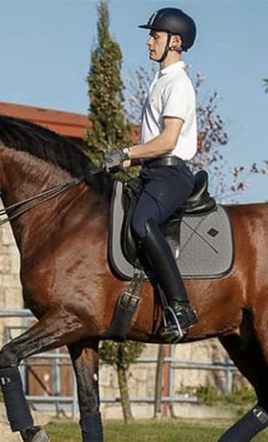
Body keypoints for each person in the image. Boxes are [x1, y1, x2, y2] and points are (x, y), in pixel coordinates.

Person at [103, 7, 198, 342]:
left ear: (175, 42)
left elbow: (169, 141)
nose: (148, 42)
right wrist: (121, 163)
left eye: (155, 36)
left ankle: (180, 306)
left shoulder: (178, 85)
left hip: (171, 176)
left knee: (142, 222)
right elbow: (151, 144)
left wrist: (128, 153)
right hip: (152, 172)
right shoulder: (160, 82)